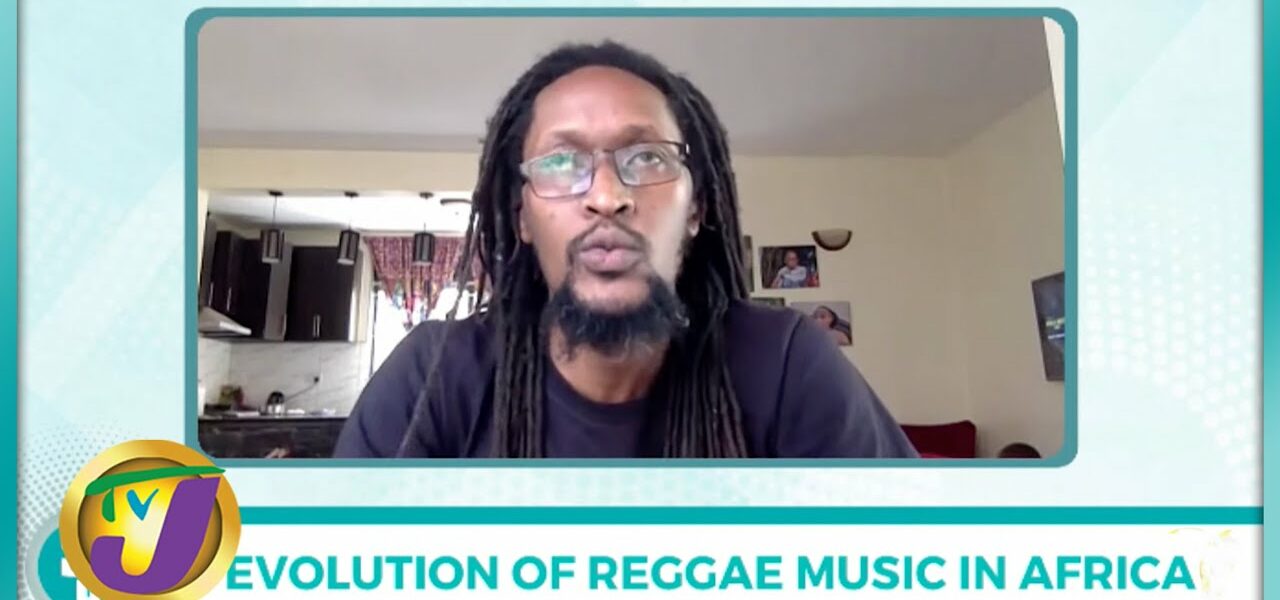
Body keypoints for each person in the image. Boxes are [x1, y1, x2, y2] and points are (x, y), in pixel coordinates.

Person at [334, 41, 917, 458]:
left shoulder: (787, 364)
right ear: (523, 217)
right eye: (562, 162)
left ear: (696, 210)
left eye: (647, 157)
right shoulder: (434, 377)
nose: (607, 197)